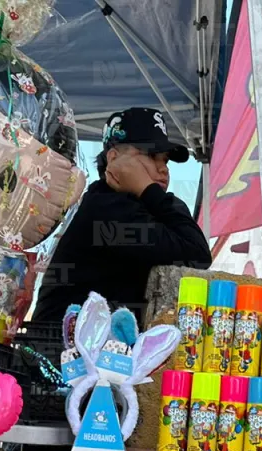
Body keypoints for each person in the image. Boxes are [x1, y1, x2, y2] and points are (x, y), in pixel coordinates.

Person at [34, 107, 211, 322]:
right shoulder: (105, 208)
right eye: (152, 156)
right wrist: (148, 188)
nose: (163, 169)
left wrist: (149, 192)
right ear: (114, 158)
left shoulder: (136, 205)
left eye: (165, 160)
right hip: (59, 349)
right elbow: (197, 254)